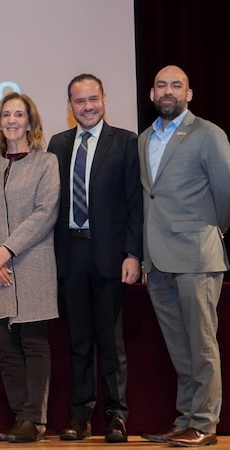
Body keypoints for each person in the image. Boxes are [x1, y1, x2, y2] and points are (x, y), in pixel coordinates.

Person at [138, 65, 230, 448]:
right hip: (158, 261)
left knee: (202, 344)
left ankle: (205, 425)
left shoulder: (208, 134)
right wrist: (144, 259)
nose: (168, 91)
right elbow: (150, 199)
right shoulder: (145, 139)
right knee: (180, 347)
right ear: (152, 94)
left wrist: (212, 230)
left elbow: (226, 192)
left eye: (177, 85)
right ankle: (185, 420)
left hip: (197, 254)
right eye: (162, 85)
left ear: (189, 94)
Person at [48, 74, 141, 443]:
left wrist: (134, 253)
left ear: (104, 99)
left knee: (111, 340)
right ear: (70, 105)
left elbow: (136, 203)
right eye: (79, 101)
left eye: (92, 99)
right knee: (78, 340)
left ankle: (117, 416)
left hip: (110, 256)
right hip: (70, 253)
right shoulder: (58, 144)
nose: (87, 106)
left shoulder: (126, 142)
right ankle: (80, 416)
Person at [0, 92, 60, 443]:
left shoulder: (47, 162)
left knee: (34, 344)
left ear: (30, 122)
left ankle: (33, 420)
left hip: (33, 262)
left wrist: (8, 249)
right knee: (5, 348)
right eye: (5, 115)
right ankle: (20, 417)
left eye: (18, 114)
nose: (11, 120)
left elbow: (46, 212)